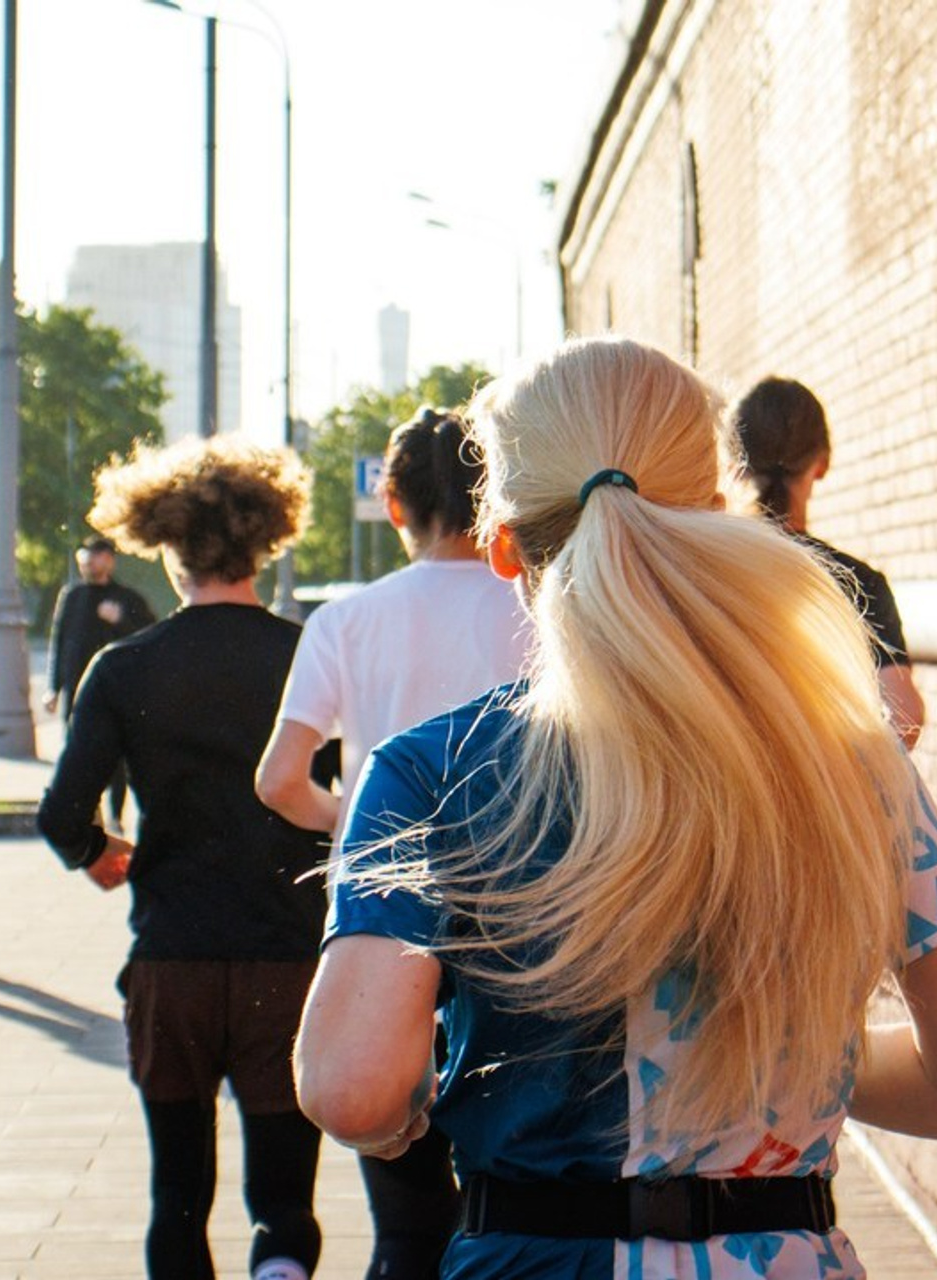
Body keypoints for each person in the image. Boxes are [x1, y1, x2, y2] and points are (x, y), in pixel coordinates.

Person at [294, 337, 937, 1280]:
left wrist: (417, 1111)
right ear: (714, 513)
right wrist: (798, 1060)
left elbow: (353, 1091)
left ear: (503, 549)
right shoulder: (855, 763)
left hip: (534, 1255)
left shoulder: (431, 771)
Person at [38, 435, 328, 1280]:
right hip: (289, 956)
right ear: (264, 541)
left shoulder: (124, 667)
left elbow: (62, 813)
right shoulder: (305, 653)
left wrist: (98, 852)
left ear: (166, 548)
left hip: (174, 961)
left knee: (178, 1199)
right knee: (285, 1201)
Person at [256, 405, 533, 1279]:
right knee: (520, 1201)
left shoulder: (347, 620)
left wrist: (361, 820)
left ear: (396, 504)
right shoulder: (536, 607)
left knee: (408, 1226)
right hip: (529, 917)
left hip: (390, 926)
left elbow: (279, 779)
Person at [728, 375, 925, 748]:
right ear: (822, 463)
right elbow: (904, 719)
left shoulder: (704, 572)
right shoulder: (858, 583)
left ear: (736, 464)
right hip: (827, 798)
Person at [43, 534, 157, 826]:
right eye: (84, 560)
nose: (89, 565)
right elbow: (60, 642)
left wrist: (120, 620)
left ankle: (116, 815)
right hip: (76, 687)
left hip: (117, 690)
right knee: (76, 749)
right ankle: (88, 815)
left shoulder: (127, 598)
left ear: (109, 560)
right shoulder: (72, 595)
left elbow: (149, 636)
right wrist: (52, 688)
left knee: (117, 754)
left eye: (95, 558)